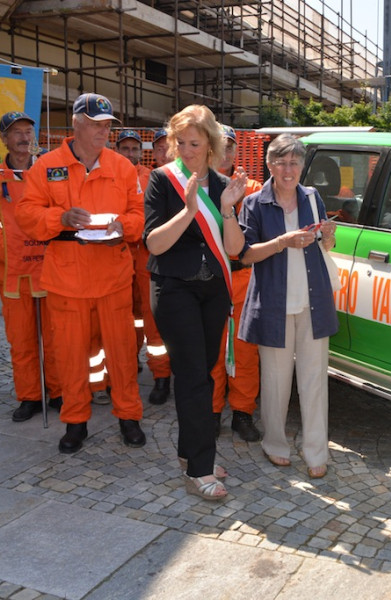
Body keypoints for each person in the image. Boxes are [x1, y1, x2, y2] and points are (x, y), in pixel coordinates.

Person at [16, 93, 146, 453]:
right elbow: (26, 214)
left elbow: (138, 214)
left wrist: (124, 227)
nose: (103, 130)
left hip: (113, 277)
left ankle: (129, 417)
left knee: (121, 354)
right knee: (70, 356)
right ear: (76, 123)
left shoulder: (122, 166)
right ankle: (75, 422)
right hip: (66, 279)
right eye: (96, 123)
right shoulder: (47, 166)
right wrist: (60, 218)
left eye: (107, 124)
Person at [143, 105, 246, 500]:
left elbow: (235, 249)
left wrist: (227, 211)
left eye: (194, 143)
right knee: (192, 377)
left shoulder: (223, 185)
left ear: (210, 145)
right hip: (174, 290)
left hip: (213, 290)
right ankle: (200, 468)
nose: (186, 151)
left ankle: (191, 453)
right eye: (180, 143)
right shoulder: (162, 180)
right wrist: (189, 211)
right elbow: (154, 242)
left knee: (202, 373)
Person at [223, 133, 338, 479]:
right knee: (275, 381)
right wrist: (282, 242)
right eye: (281, 162)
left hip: (313, 301)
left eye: (294, 162)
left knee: (315, 380)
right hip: (273, 302)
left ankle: (316, 450)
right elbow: (244, 254)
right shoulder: (256, 202)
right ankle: (274, 444)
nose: (288, 170)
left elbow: (325, 245)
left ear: (303, 165)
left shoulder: (313, 197)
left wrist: (329, 236)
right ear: (269, 165)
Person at [0, 111, 62, 421]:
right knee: (21, 341)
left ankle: (59, 390)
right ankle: (29, 396)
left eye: (27, 131)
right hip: (12, 273)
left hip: (48, 269)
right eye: (16, 132)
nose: (24, 137)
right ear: (5, 139)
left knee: (54, 337)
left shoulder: (48, 172)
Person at [210, 124, 262, 441]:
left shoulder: (254, 188)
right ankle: (212, 411)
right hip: (211, 279)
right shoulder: (197, 187)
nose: (225, 152)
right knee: (212, 353)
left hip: (243, 279)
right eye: (219, 146)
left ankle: (242, 413)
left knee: (244, 353)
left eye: (230, 146)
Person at [115, 129, 171, 405]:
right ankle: (128, 366)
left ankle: (161, 375)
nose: (129, 153)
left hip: (147, 257)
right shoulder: (110, 175)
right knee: (126, 319)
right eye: (124, 148)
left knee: (152, 320)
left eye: (134, 148)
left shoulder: (153, 177)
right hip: (120, 257)